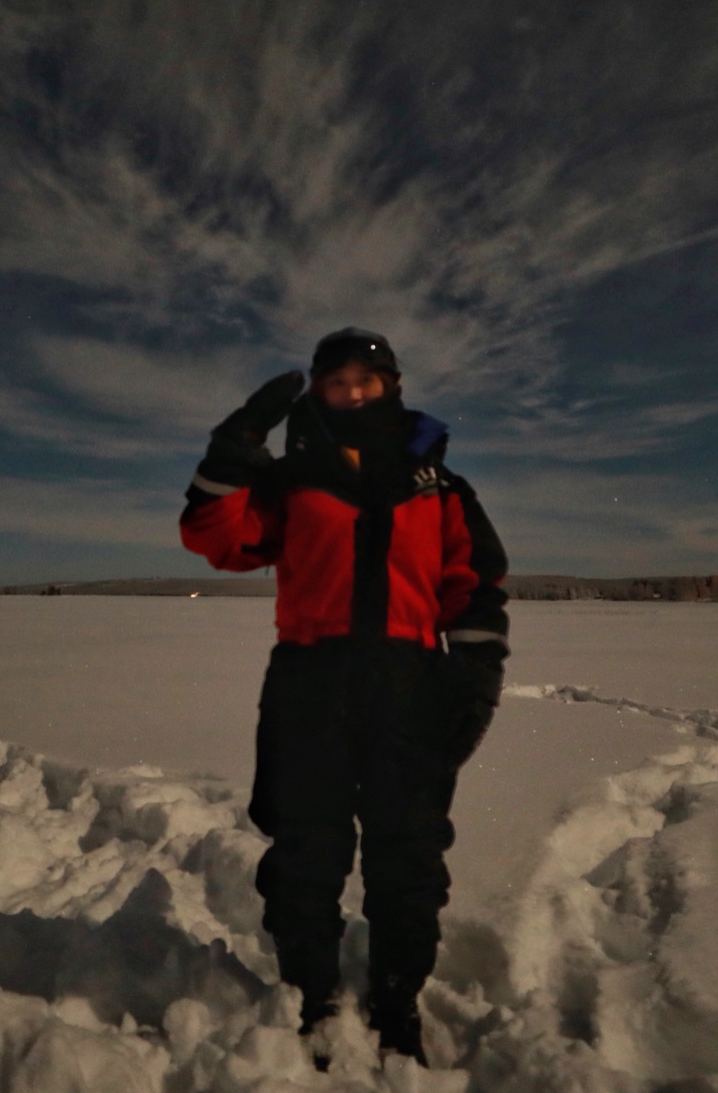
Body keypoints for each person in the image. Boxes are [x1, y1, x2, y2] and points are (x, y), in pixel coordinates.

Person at [179, 327, 509, 1066]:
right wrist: (232, 449)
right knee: (307, 852)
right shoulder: (292, 481)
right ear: (320, 390)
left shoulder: (440, 484)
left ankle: (397, 1001)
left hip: (411, 685)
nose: (354, 391)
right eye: (337, 380)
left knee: (410, 855)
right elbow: (212, 537)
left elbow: (475, 585)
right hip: (309, 684)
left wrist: (478, 676)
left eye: (368, 377)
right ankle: (314, 996)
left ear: (392, 384)